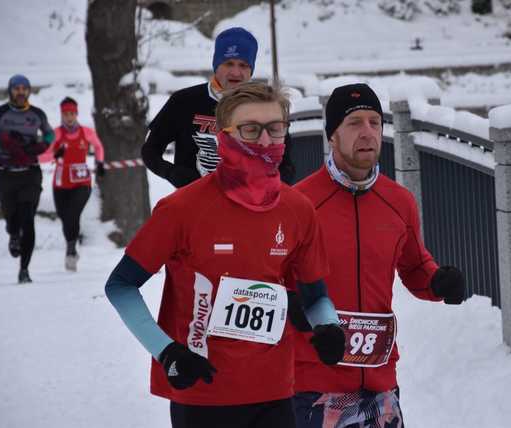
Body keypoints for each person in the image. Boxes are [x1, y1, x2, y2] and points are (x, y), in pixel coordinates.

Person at [105, 82, 345, 428]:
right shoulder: (181, 208)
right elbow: (121, 286)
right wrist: (167, 351)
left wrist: (329, 327)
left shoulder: (298, 209)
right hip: (203, 393)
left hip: (275, 392)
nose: (264, 141)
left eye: (275, 129)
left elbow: (315, 295)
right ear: (224, 136)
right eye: (250, 130)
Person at [288, 84, 466, 428]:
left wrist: (438, 282)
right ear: (332, 136)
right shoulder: (300, 203)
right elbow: (273, 281)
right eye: (355, 123)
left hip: (381, 383)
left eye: (375, 122)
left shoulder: (399, 201)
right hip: (315, 385)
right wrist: (297, 311)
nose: (368, 132)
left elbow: (415, 267)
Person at [141, 26, 294, 188]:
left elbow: (287, 165)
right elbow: (150, 151)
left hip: (250, 206)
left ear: (251, 70)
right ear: (216, 65)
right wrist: (172, 173)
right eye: (229, 64)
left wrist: (271, 187)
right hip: (195, 203)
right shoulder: (184, 101)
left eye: (243, 65)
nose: (236, 72)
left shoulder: (265, 105)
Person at [0, 74, 55, 283]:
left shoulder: (37, 114)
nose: (20, 92)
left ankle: (24, 269)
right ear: (10, 90)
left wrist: (40, 145)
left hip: (30, 173)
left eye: (24, 88)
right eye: (16, 88)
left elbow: (50, 135)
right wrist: (2, 145)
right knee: (12, 217)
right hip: (5, 174)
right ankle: (13, 233)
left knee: (28, 219)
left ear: (28, 91)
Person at [39, 97, 105, 272]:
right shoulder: (57, 134)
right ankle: (72, 247)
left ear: (76, 114)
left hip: (82, 182)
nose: (69, 117)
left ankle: (70, 251)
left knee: (72, 214)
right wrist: (55, 154)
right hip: (60, 184)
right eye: (66, 114)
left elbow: (98, 146)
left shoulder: (86, 132)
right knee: (64, 217)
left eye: (72, 113)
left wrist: (99, 163)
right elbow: (42, 156)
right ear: (62, 115)